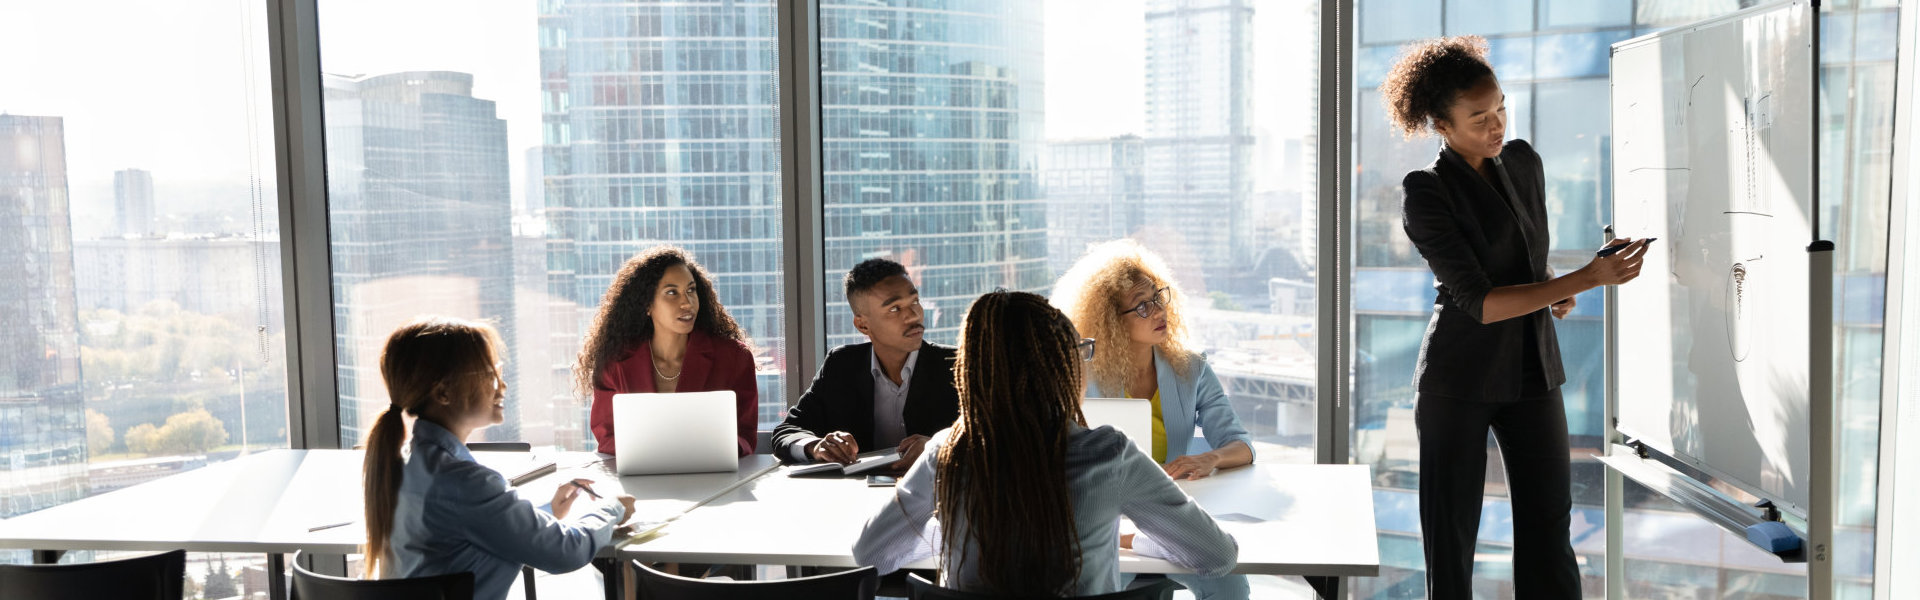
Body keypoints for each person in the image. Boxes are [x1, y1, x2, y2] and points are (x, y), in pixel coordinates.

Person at [1383, 36, 1646, 599]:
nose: (1496, 124)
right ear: (1441, 124)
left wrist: (1553, 288)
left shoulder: (1523, 161)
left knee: (1550, 527)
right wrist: (1584, 280)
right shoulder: (1424, 193)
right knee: (1451, 545)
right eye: (1479, 118)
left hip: (1532, 367)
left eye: (1501, 107)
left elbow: (1524, 252)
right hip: (1460, 377)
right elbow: (1477, 301)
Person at [853, 290, 1238, 596]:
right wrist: (1131, 538)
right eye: (1079, 351)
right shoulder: (1109, 455)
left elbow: (870, 553)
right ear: (1061, 366)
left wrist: (959, 533)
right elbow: (1217, 556)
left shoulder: (947, 454)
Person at [361, 316, 636, 600]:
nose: (502, 386)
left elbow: (474, 524)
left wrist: (546, 511)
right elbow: (565, 551)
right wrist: (611, 509)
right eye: (490, 374)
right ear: (443, 392)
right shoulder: (463, 482)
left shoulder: (406, 461)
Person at [1051, 238, 1254, 600]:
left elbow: (1242, 447)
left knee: (1231, 586)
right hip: (1107, 517)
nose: (1158, 311)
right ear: (1111, 321)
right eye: (1141, 307)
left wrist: (1211, 457)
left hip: (1170, 514)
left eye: (1157, 298)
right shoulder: (1085, 377)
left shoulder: (1190, 368)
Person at [771, 258, 960, 470]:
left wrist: (941, 446)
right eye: (895, 309)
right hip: (856, 496)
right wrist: (816, 446)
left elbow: (996, 435)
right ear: (862, 324)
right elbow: (787, 431)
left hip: (937, 497)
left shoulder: (957, 366)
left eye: (915, 301)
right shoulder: (840, 365)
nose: (913, 315)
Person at [578, 245, 759, 456]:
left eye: (691, 290)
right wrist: (667, 453)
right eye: (672, 292)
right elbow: (607, 438)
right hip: (640, 484)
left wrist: (702, 450)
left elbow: (745, 436)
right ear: (646, 304)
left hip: (711, 478)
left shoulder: (735, 358)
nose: (687, 303)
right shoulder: (615, 363)